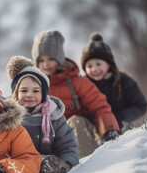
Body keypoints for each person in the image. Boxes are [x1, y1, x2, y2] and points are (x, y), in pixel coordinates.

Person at [32, 29, 120, 158]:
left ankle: (82, 166)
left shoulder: (77, 82)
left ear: (59, 58)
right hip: (53, 139)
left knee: (75, 121)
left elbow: (99, 106)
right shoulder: (34, 86)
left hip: (82, 134)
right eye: (41, 60)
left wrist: (109, 129)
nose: (46, 64)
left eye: (51, 59)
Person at [6, 55, 79, 173]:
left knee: (50, 163)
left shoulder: (54, 116)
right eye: (24, 90)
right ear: (15, 93)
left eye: (35, 91)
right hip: (20, 168)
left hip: (48, 168)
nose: (29, 95)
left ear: (44, 93)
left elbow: (67, 145)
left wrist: (67, 163)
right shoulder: (8, 117)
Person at [81, 32, 147, 133]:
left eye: (98, 64)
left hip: (119, 125)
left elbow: (141, 106)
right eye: (89, 66)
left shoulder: (123, 81)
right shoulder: (83, 85)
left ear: (109, 64)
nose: (94, 69)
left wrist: (119, 117)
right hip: (94, 130)